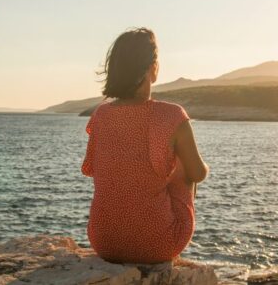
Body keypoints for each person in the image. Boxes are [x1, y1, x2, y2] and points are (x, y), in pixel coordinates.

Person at [81, 27, 209, 265]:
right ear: (153, 68)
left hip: (104, 242)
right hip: (159, 245)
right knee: (182, 166)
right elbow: (198, 173)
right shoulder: (171, 115)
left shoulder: (101, 115)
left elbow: (99, 171)